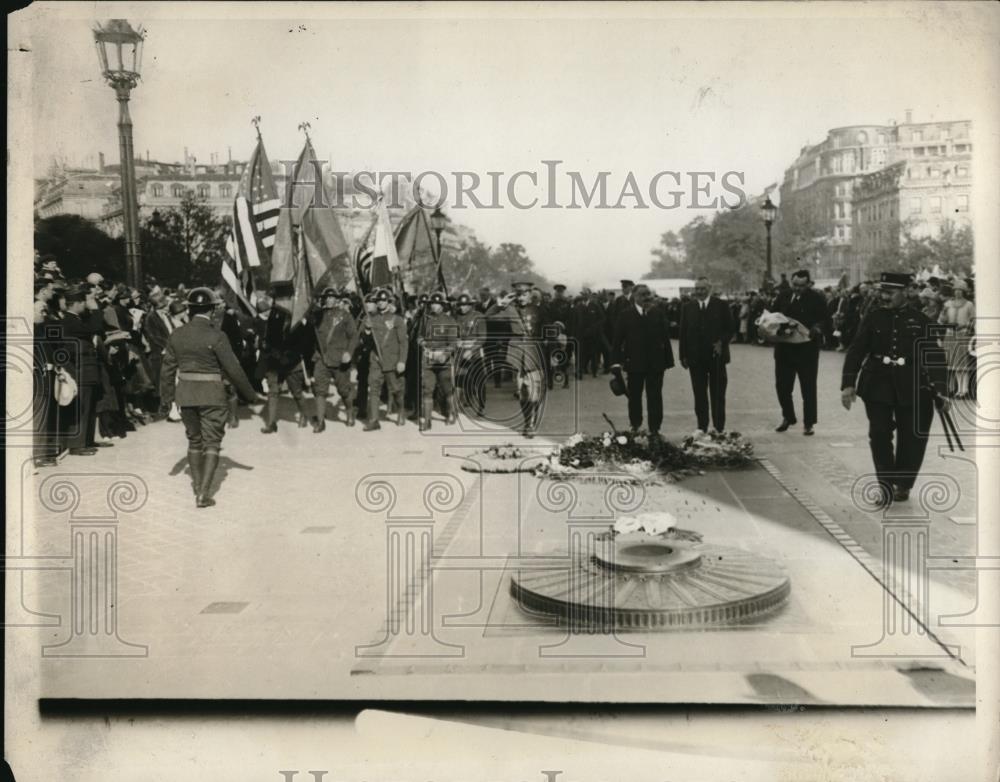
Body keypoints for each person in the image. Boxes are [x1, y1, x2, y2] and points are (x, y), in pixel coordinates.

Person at [841, 272, 949, 506]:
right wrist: (848, 383)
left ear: (906, 292)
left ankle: (904, 483)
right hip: (877, 383)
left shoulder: (921, 320)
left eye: (890, 292)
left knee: (912, 437)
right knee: (879, 434)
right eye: (882, 291)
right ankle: (886, 485)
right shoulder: (873, 318)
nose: (884, 297)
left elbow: (935, 356)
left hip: (912, 384)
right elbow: (856, 350)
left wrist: (941, 389)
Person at [160, 288, 261, 508]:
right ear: (213, 309)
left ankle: (197, 486)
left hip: (185, 395)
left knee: (194, 441)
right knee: (212, 443)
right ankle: (203, 494)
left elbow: (167, 370)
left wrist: (166, 399)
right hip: (213, 395)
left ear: (190, 309)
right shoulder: (217, 335)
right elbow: (233, 369)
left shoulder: (177, 335)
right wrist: (251, 395)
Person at [611, 283, 675, 436]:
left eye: (648, 294)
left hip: (656, 363)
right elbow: (617, 340)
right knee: (634, 397)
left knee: (655, 397)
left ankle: (655, 428)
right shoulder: (625, 315)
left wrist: (668, 360)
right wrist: (615, 363)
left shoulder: (657, 313)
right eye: (642, 294)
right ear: (634, 297)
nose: (647, 297)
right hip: (634, 363)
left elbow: (665, 338)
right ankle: (635, 425)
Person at [772, 269, 829, 436]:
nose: (797, 289)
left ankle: (809, 423)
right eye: (795, 285)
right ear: (791, 282)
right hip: (784, 349)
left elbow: (825, 319)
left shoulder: (817, 298)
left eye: (802, 286)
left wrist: (817, 328)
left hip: (807, 350)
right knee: (782, 387)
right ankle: (788, 417)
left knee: (808, 388)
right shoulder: (783, 296)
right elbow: (773, 315)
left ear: (808, 284)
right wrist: (777, 328)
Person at [486, 281, 546, 437]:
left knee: (534, 393)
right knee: (524, 392)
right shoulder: (510, 309)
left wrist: (553, 353)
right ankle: (528, 423)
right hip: (517, 353)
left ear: (530, 294)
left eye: (524, 294)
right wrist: (500, 304)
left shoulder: (540, 310)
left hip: (534, 352)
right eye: (518, 294)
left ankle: (531, 420)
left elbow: (550, 330)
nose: (521, 298)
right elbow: (488, 317)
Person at [678, 277, 734, 434]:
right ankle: (702, 426)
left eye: (702, 289)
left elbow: (730, 329)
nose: (699, 292)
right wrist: (682, 355)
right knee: (699, 395)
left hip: (716, 358)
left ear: (709, 289)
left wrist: (721, 342)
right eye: (697, 289)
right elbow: (683, 332)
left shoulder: (721, 305)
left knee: (718, 394)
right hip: (695, 358)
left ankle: (718, 428)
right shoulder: (688, 307)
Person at [255, 289, 312, 433]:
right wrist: (265, 345)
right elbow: (268, 336)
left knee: (296, 392)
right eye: (277, 299)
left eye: (282, 298)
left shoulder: (296, 316)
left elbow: (302, 343)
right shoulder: (273, 314)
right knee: (273, 392)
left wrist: (290, 356)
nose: (279, 301)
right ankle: (271, 423)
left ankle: (304, 415)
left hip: (291, 361)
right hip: (274, 361)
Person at [60, 286, 107, 455]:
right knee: (82, 407)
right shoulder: (70, 321)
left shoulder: (77, 319)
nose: (86, 305)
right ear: (77, 303)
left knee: (90, 405)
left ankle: (86, 441)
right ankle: (77, 444)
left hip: (87, 369)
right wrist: (96, 310)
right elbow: (94, 328)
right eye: (83, 302)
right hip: (80, 369)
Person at [311, 289, 359, 431]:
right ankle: (320, 421)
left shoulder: (345, 316)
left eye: (332, 297)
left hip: (340, 360)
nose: (329, 300)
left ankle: (350, 412)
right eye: (327, 297)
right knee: (320, 390)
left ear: (337, 299)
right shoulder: (317, 315)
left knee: (344, 390)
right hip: (322, 359)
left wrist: (349, 353)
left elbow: (354, 336)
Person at [362, 289, 408, 431]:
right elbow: (365, 342)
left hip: (392, 360)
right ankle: (374, 420)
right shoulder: (370, 319)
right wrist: (367, 331)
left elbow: (403, 342)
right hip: (376, 360)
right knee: (374, 389)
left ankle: (401, 411)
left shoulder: (397, 320)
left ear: (389, 302)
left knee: (396, 389)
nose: (381, 303)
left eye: (383, 300)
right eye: (378, 301)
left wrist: (402, 361)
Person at [418, 292, 459, 431]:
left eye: (437, 304)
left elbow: (453, 343)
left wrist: (445, 354)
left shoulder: (450, 321)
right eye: (432, 304)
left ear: (442, 305)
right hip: (428, 358)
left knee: (447, 389)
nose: (434, 306)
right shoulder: (425, 320)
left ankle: (451, 413)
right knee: (427, 389)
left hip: (443, 360)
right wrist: (423, 343)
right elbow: (419, 337)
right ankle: (427, 421)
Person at [938, 278, 976, 398]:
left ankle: (964, 390)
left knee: (962, 364)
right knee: (953, 365)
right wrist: (943, 314)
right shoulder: (948, 304)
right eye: (955, 290)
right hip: (950, 335)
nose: (957, 292)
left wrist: (965, 326)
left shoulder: (969, 305)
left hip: (962, 335)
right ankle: (957, 389)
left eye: (960, 290)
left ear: (964, 291)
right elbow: (941, 320)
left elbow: (974, 320)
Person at [454, 292, 487, 416]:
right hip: (460, 352)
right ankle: (457, 404)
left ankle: (481, 406)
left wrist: (471, 349)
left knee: (479, 379)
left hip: (475, 352)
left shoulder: (479, 317)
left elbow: (483, 338)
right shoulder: (456, 317)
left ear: (470, 305)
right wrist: (456, 341)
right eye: (460, 305)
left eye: (465, 305)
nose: (462, 307)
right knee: (459, 379)